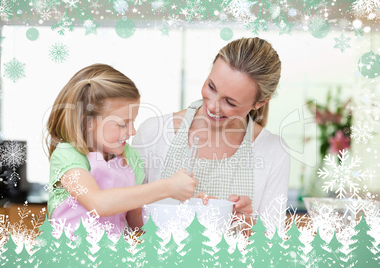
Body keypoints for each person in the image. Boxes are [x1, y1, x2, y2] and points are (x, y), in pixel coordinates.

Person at [132, 37, 290, 232]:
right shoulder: (153, 132)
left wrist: (249, 227)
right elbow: (125, 218)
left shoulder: (274, 151)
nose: (213, 106)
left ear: (259, 103)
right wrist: (178, 209)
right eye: (211, 87)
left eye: (230, 103)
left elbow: (272, 246)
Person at [45, 64, 197, 237]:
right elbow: (98, 203)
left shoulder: (130, 158)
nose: (132, 131)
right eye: (123, 124)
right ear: (87, 123)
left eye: (133, 122)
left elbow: (137, 224)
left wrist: (192, 208)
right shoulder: (67, 154)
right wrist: (167, 186)